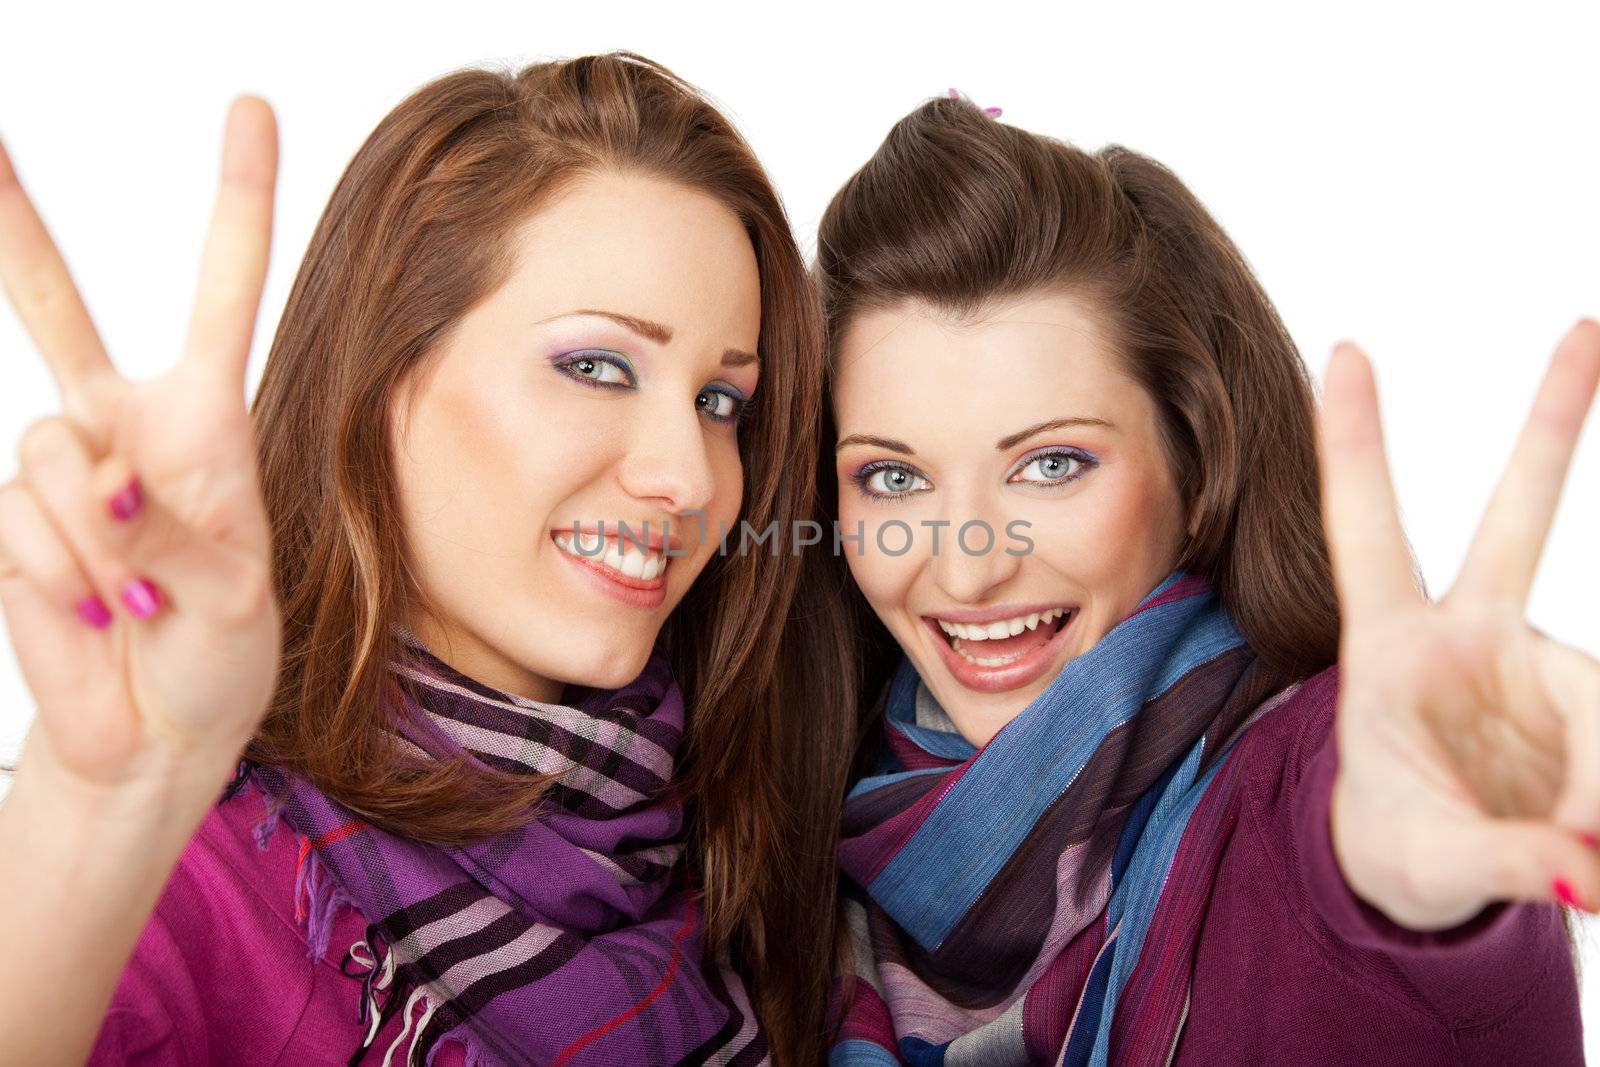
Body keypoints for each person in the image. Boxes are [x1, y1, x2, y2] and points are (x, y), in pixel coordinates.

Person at [0, 53, 854, 1065]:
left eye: (720, 402)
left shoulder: (746, 832)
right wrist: (98, 804)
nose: (691, 477)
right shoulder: (180, 878)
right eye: (595, 366)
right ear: (381, 376)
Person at [813, 92, 1593, 1065]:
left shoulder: (1314, 787)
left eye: (1050, 463)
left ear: (1194, 466)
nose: (966, 567)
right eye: (893, 477)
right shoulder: (809, 818)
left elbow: (1382, 888)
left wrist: (1417, 880)